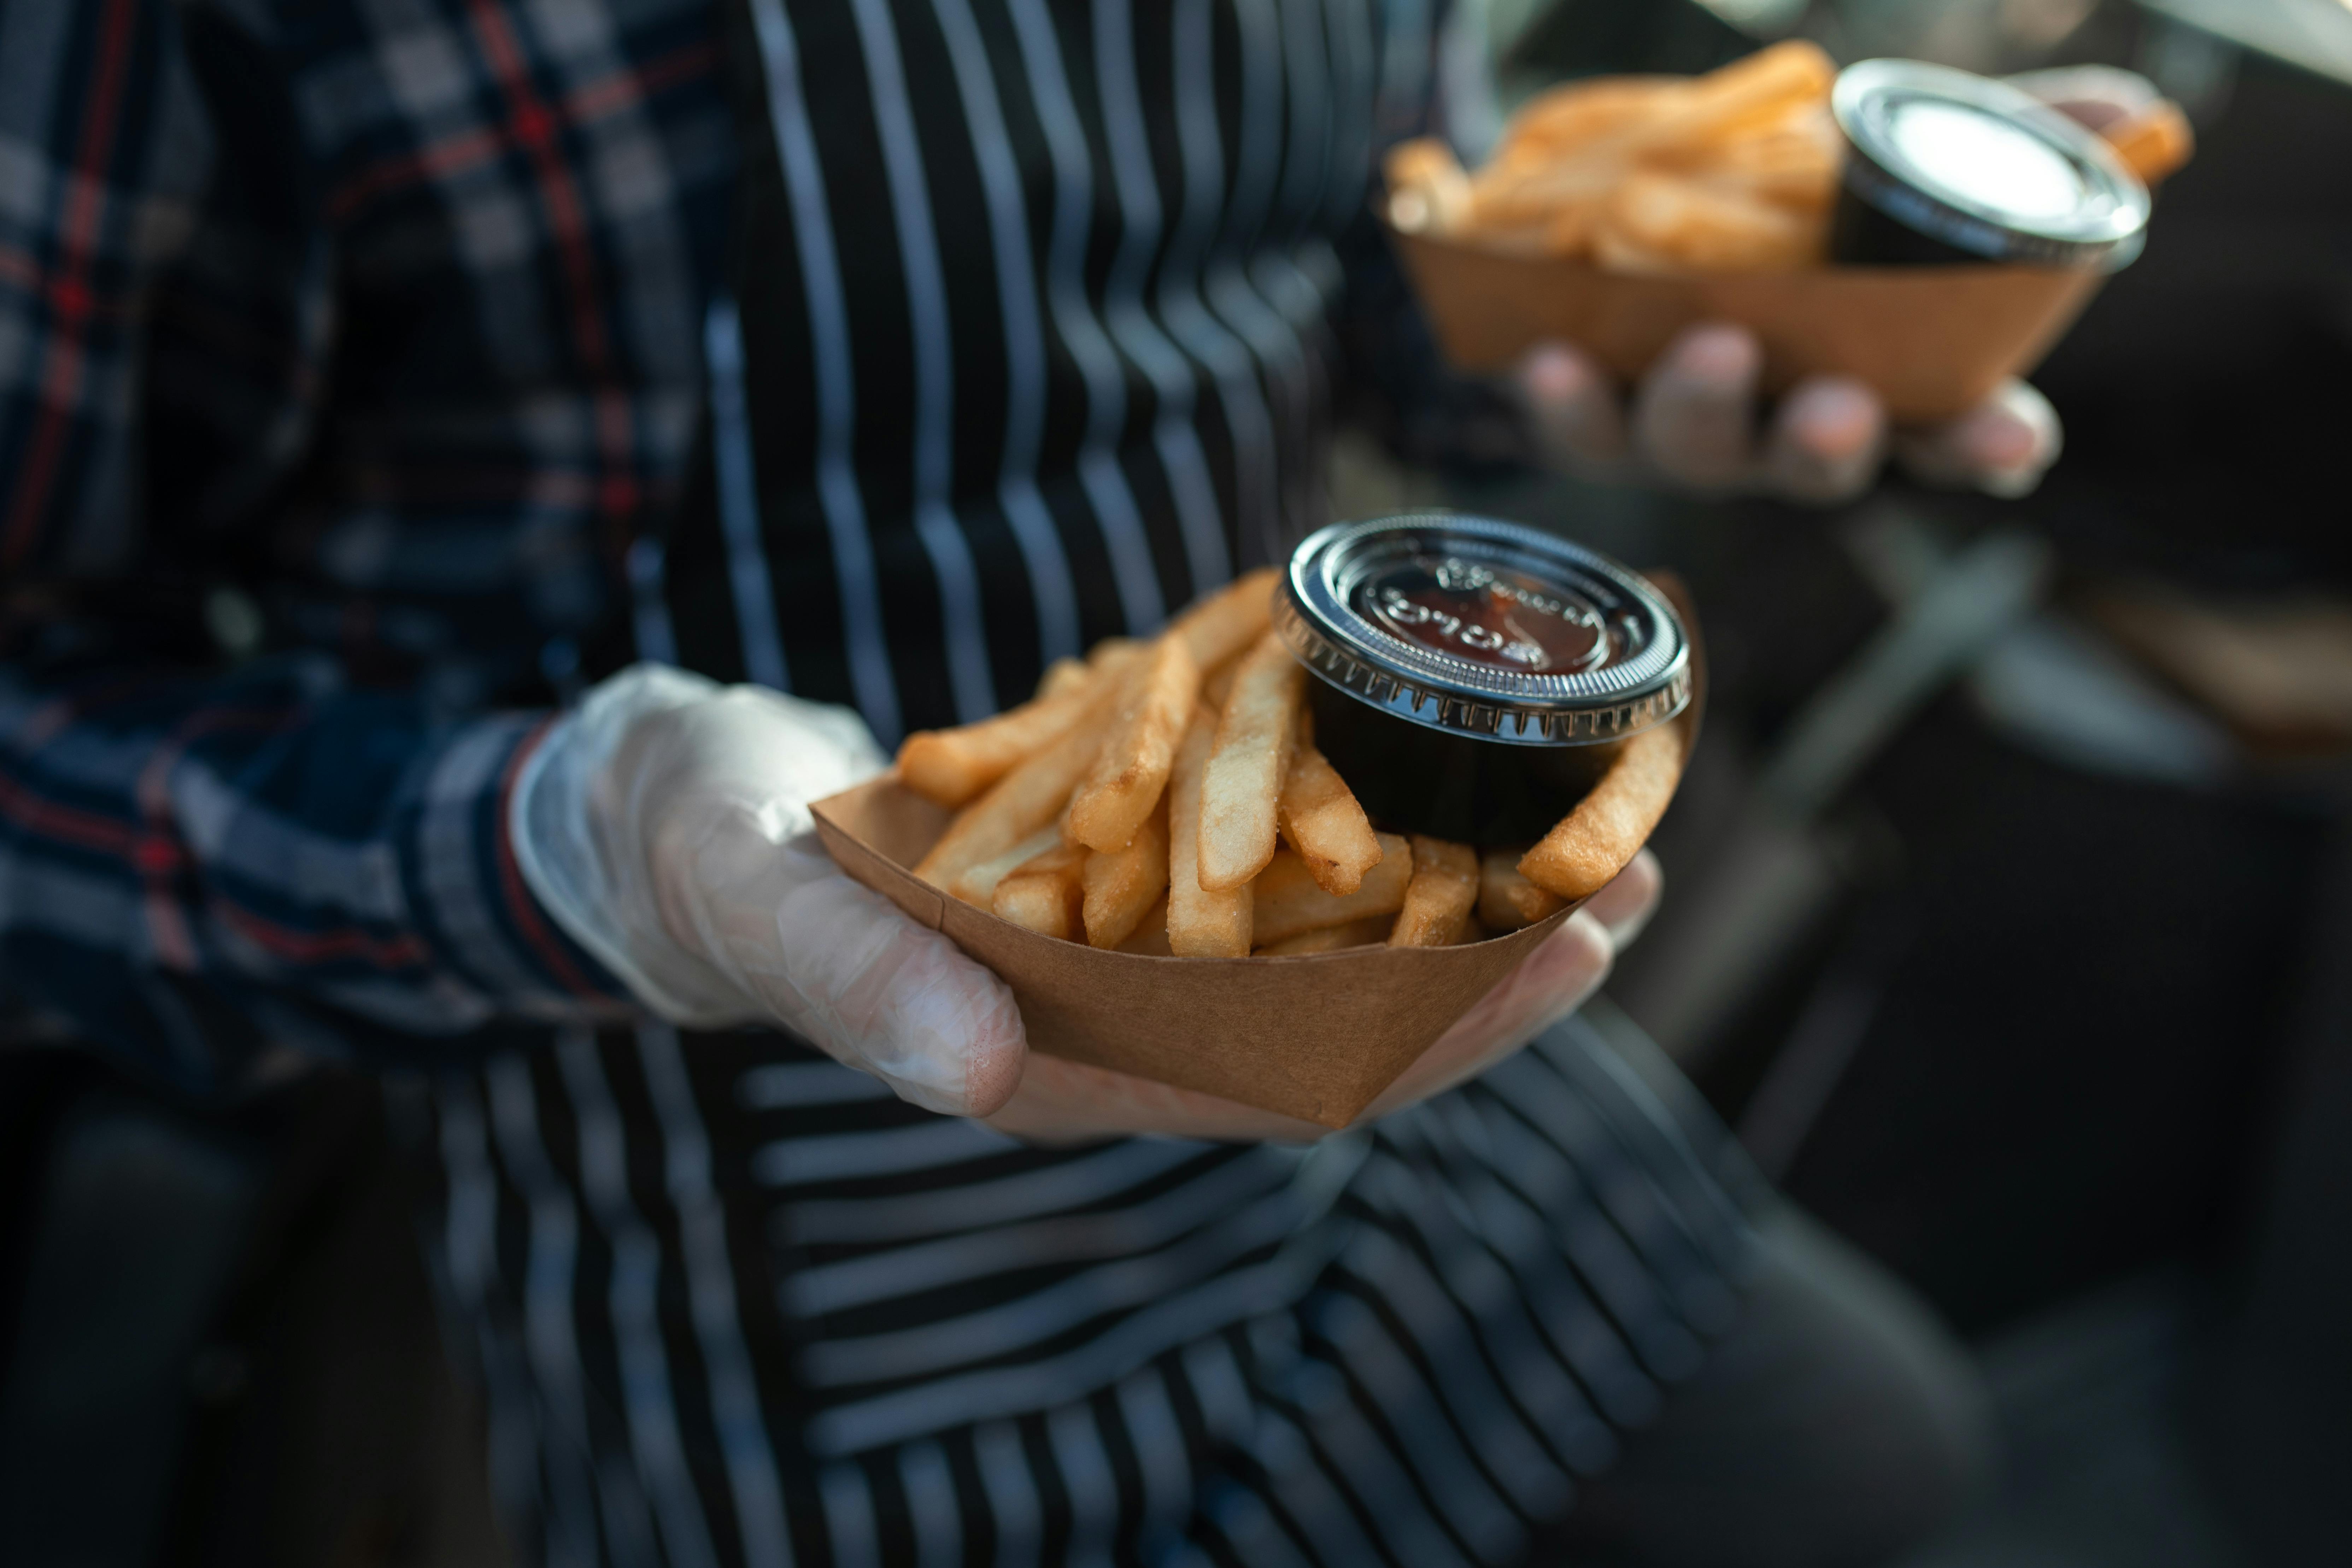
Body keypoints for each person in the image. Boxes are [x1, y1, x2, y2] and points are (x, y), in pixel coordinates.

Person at [0, 0, 2066, 1561]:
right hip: (762, 1241)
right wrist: (582, 837)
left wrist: (1623, 339)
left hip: (1380, 1023)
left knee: (1877, 1459)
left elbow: (1381, 259)